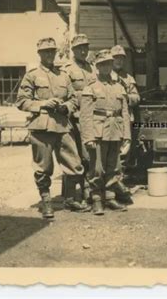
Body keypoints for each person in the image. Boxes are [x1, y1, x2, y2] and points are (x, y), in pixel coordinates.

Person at [16, 37, 84, 219]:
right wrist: (43, 103)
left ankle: (70, 199)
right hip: (41, 128)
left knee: (74, 163)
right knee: (43, 167)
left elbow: (74, 99)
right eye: (45, 52)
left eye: (52, 51)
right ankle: (46, 201)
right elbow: (21, 101)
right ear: (39, 54)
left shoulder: (63, 75)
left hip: (62, 125)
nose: (49, 55)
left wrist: (66, 107)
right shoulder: (32, 75)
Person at [79, 50, 131, 215]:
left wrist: (127, 136)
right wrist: (88, 137)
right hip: (98, 132)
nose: (106, 67)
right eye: (102, 64)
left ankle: (110, 197)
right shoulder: (91, 87)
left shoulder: (119, 87)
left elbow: (125, 113)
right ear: (97, 66)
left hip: (115, 130)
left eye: (109, 63)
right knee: (97, 168)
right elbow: (85, 115)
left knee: (113, 166)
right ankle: (96, 199)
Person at [63, 34, 98, 211]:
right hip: (73, 119)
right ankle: (69, 196)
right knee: (72, 158)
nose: (83, 50)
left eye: (86, 47)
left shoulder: (93, 69)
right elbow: (64, 94)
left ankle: (87, 192)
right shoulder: (67, 70)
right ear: (73, 50)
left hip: (89, 119)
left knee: (89, 157)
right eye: (79, 48)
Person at [111, 44, 140, 203]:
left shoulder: (128, 78)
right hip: (108, 120)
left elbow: (136, 98)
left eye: (121, 58)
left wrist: (127, 96)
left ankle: (119, 185)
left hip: (125, 119)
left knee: (124, 152)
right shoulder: (103, 75)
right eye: (116, 57)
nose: (119, 60)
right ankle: (111, 187)